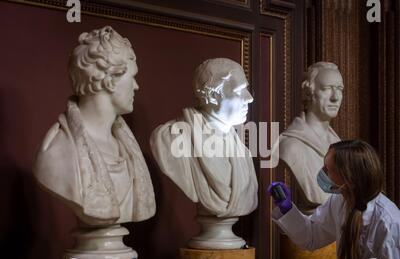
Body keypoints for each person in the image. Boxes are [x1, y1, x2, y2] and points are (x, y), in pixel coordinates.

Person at [33, 26, 156, 226]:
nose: (136, 86)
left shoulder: (125, 147)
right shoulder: (56, 153)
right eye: (132, 77)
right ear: (109, 79)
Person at [269, 140, 400, 259]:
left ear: (348, 177)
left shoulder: (392, 224)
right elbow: (311, 236)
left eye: (327, 170)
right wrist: (287, 208)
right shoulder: (339, 202)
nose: (322, 173)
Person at [150, 58, 258, 219]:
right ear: (213, 96)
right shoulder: (169, 138)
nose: (250, 98)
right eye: (240, 90)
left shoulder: (243, 152)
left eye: (247, 89)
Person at [276, 62, 343, 214]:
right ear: (308, 93)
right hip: (314, 229)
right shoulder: (291, 147)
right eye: (327, 89)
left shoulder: (340, 145)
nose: (335, 97)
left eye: (340, 89)